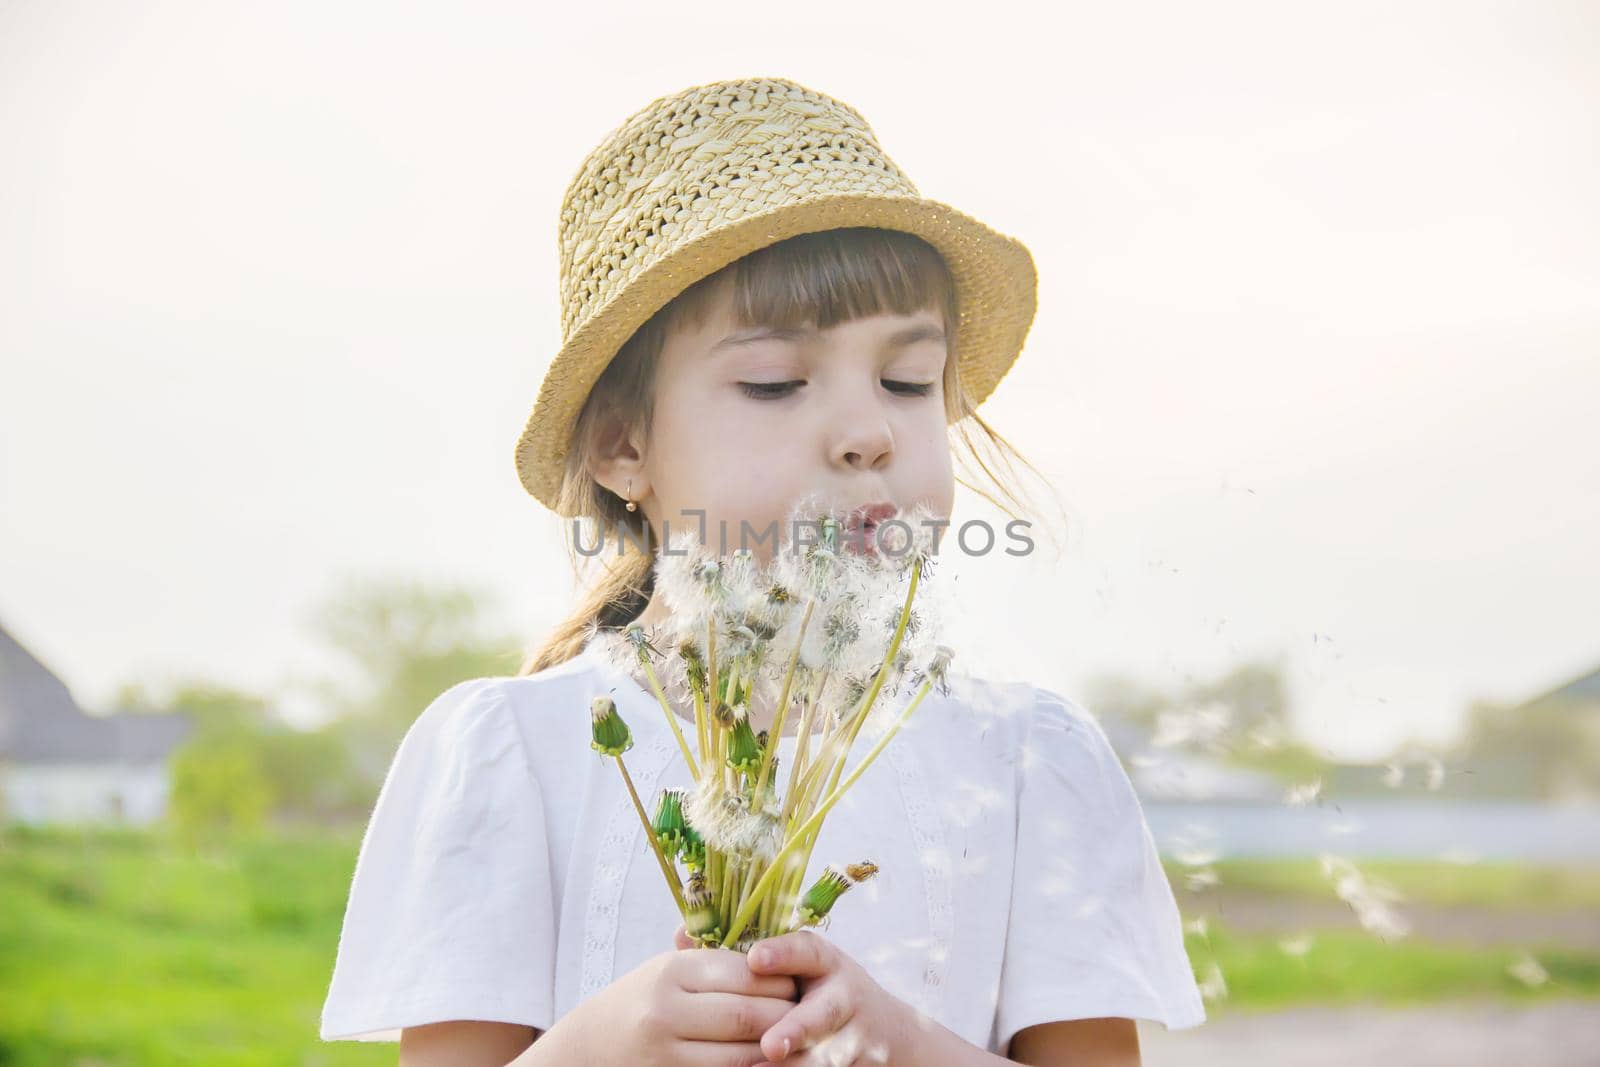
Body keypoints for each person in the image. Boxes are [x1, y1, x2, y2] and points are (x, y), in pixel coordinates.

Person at [319, 75, 1206, 1066]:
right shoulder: (512, 755)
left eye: (907, 381)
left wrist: (901, 1043)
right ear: (622, 445)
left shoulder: (1029, 762)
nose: (869, 432)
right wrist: (603, 1045)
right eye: (777, 383)